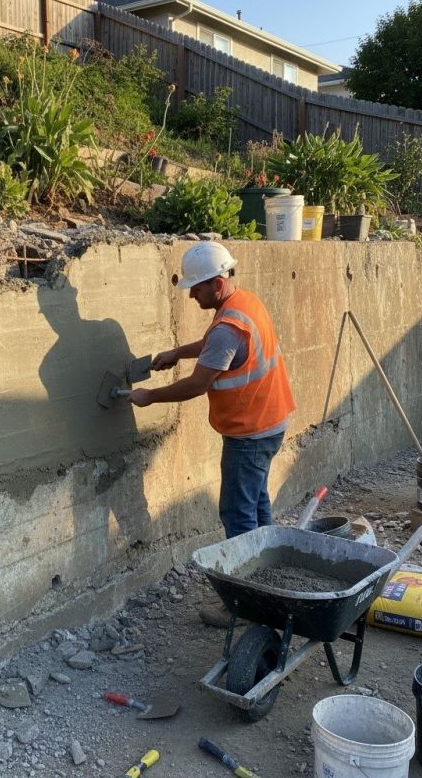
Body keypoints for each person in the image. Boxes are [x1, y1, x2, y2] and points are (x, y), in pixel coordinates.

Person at [128, 242, 295, 627]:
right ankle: (268, 584)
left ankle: (246, 604)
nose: (191, 295)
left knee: (237, 513)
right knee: (256, 505)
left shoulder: (227, 328)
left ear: (218, 283)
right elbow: (213, 345)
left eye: (197, 288)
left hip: (249, 433)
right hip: (270, 421)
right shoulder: (243, 304)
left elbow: (197, 385)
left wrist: (149, 396)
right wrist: (177, 352)